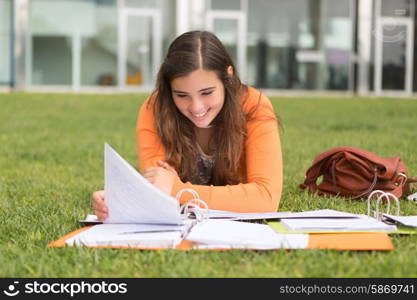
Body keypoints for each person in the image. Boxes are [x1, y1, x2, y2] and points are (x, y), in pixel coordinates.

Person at [93, 30, 283, 221]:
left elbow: (266, 199)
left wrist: (178, 190)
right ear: (169, 89)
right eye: (182, 95)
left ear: (229, 77)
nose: (196, 107)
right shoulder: (155, 109)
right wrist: (119, 199)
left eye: (207, 92)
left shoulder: (255, 105)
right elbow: (157, 192)